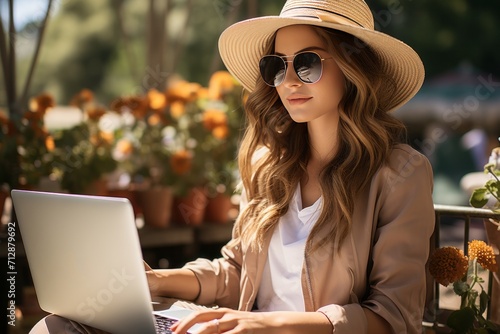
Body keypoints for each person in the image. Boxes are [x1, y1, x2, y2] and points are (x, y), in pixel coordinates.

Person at [31, 0, 434, 333]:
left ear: (353, 69)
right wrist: (152, 281)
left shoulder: (400, 176)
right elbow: (237, 271)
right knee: (59, 325)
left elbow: (394, 317)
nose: (289, 80)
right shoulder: (269, 164)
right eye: (276, 66)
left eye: (307, 63)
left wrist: (268, 324)